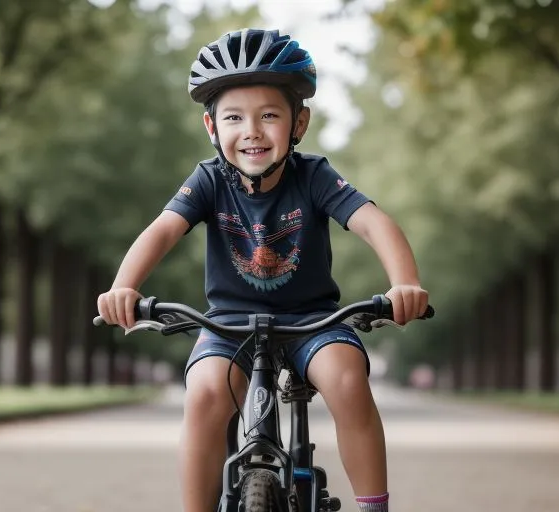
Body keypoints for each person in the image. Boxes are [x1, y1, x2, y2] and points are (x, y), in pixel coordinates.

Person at [96, 28, 428, 512]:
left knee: (348, 379)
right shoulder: (208, 180)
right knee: (206, 395)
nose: (251, 130)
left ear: (299, 124)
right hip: (227, 328)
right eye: (234, 118)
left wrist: (404, 283)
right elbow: (163, 231)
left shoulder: (314, 176)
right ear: (212, 128)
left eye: (269, 116)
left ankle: (373, 506)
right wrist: (123, 288)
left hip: (313, 323)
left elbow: (374, 224)